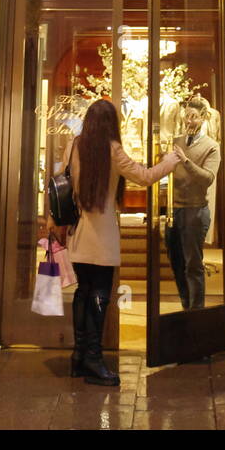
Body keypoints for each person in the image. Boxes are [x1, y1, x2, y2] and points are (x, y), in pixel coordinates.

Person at [57, 98, 182, 386]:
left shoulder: (74, 145)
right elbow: (145, 177)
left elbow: (62, 180)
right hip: (101, 237)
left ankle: (79, 356)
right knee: (99, 294)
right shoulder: (112, 150)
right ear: (111, 124)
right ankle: (94, 359)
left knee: (83, 292)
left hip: (78, 233)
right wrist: (170, 162)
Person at [165, 96, 221, 309]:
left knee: (193, 265)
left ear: (204, 118)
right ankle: (185, 306)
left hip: (195, 211)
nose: (189, 121)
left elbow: (207, 178)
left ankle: (196, 313)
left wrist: (186, 161)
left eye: (194, 117)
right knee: (177, 264)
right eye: (187, 116)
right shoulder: (177, 141)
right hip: (174, 210)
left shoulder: (212, 146)